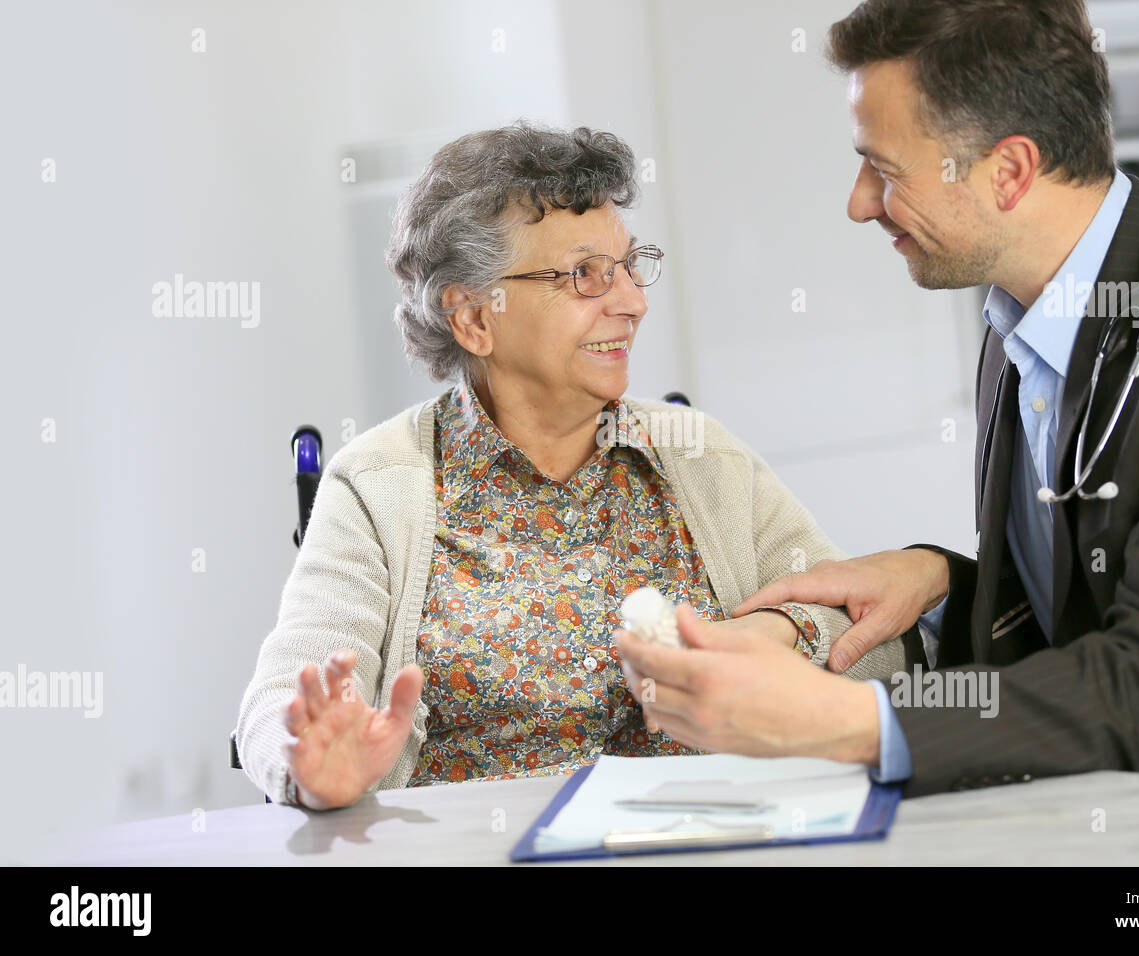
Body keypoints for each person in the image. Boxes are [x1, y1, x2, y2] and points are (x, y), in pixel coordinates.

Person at [617, 0, 1139, 796]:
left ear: (1008, 171)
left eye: (886, 169)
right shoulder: (1019, 317)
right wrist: (943, 581)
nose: (860, 202)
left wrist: (839, 721)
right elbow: (1092, 606)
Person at [235, 121, 902, 810]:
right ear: (472, 320)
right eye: (585, 275)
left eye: (629, 266)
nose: (633, 302)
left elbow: (878, 644)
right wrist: (305, 761)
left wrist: (783, 633)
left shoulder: (701, 456)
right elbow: (281, 699)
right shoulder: (379, 486)